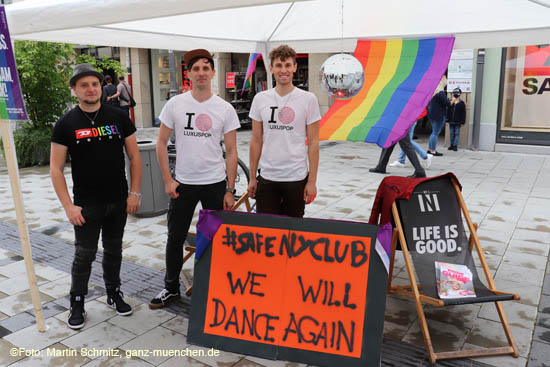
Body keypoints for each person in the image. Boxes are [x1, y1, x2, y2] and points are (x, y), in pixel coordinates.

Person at [50, 63, 142, 329]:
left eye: (95, 84)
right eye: (84, 85)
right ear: (74, 90)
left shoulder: (119, 117)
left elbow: (134, 157)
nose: (91, 89)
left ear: (101, 87)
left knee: (114, 251)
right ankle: (77, 300)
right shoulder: (65, 124)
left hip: (118, 200)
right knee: (84, 254)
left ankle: (113, 292)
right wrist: (68, 206)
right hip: (86, 205)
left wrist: (134, 192)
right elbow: (55, 169)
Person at [150, 49, 240, 309]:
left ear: (212, 72)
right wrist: (168, 180)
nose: (201, 73)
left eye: (205, 68)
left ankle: (210, 286)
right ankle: (170, 288)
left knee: (212, 238)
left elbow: (232, 152)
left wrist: (230, 189)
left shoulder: (224, 108)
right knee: (175, 238)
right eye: (196, 69)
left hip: (214, 183)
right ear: (188, 74)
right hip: (183, 183)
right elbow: (161, 143)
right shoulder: (175, 104)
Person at [247, 45, 320, 218]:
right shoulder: (260, 99)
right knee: (266, 233)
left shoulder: (308, 99)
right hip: (267, 177)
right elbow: (256, 140)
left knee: (292, 233)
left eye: (288, 65)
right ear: (271, 68)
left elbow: (314, 143)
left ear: (295, 67)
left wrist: (312, 181)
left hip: (296, 177)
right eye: (279, 65)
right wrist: (251, 177)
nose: (283, 70)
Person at [426, 76, 450, 156]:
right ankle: (433, 150)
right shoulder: (440, 93)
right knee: (435, 133)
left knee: (433, 132)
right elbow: (447, 103)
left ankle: (430, 149)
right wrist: (452, 101)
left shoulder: (433, 92)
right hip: (439, 115)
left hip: (432, 114)